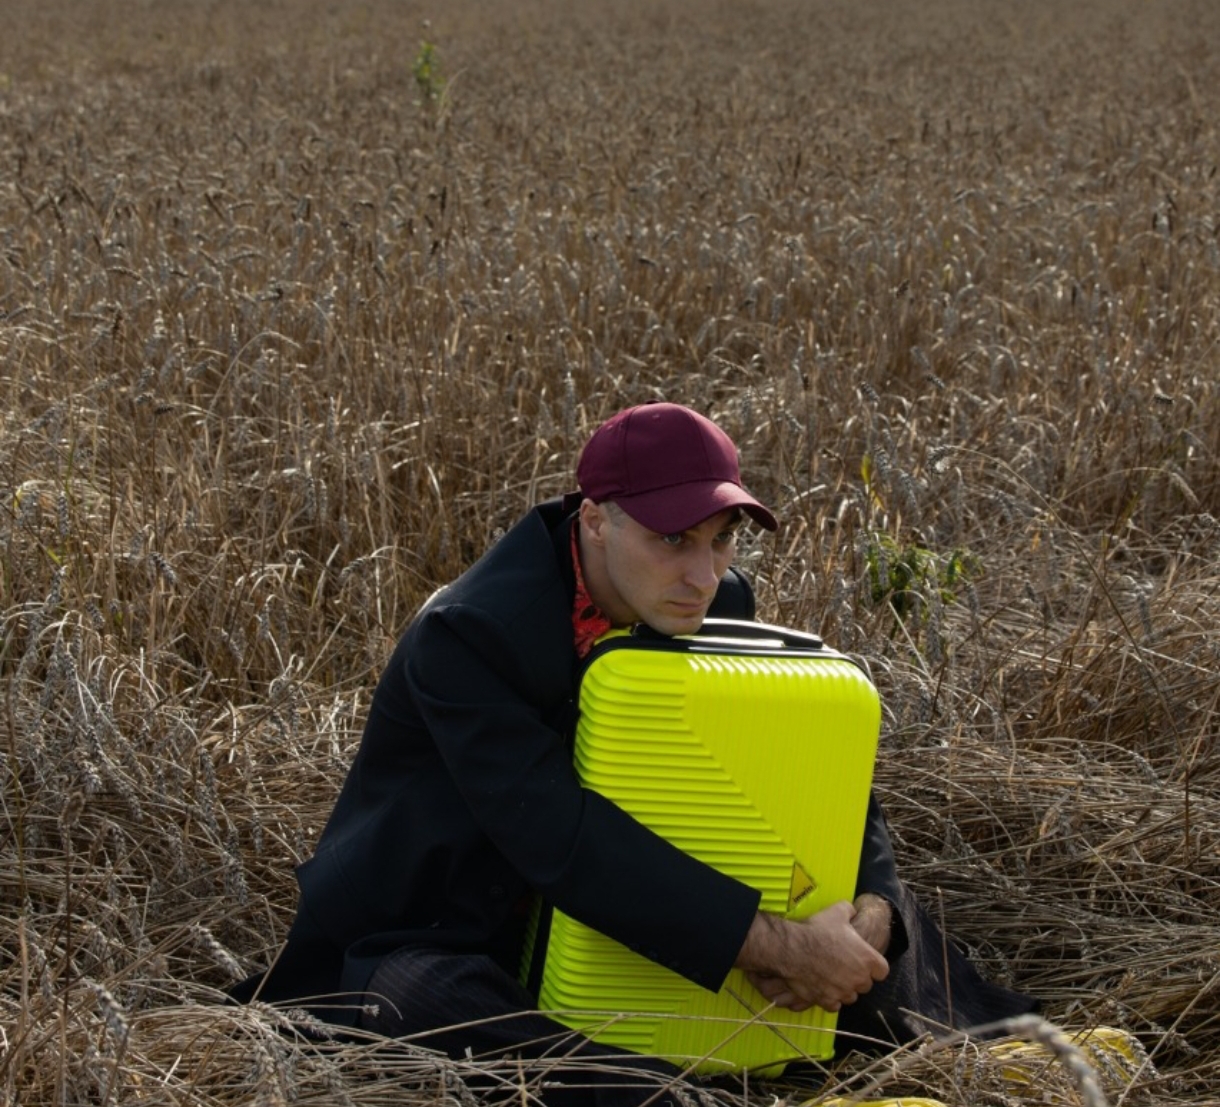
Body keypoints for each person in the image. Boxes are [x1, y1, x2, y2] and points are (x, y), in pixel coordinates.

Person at [235, 402, 1034, 1103]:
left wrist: (873, 911)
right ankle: (680, 1099)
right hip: (457, 919)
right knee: (428, 1003)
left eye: (721, 540)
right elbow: (564, 838)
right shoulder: (468, 636)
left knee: (879, 949)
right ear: (594, 519)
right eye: (672, 539)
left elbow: (821, 761)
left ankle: (1015, 1054)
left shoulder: (711, 602)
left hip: (642, 906)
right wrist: (775, 943)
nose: (703, 574)